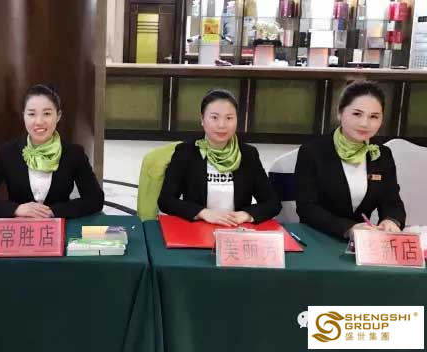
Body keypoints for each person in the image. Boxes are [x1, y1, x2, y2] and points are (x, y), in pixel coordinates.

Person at [0, 84, 104, 218]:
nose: (39, 121)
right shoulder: (7, 153)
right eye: (32, 114)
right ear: (24, 116)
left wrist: (54, 211)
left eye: (47, 113)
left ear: (58, 116)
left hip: (58, 228)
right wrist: (16, 209)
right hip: (19, 229)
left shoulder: (74, 154)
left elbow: (95, 199)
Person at [295, 80, 405, 239]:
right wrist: (348, 228)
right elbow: (307, 208)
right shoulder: (312, 152)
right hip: (320, 238)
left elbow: (392, 202)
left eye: (374, 116)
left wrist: (391, 220)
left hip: (363, 242)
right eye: (357, 114)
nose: (364, 123)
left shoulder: (382, 155)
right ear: (339, 113)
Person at [158, 89, 281, 224]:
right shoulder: (186, 152)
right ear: (202, 119)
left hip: (235, 229)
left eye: (229, 118)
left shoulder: (248, 154)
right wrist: (202, 213)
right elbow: (166, 201)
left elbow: (272, 203)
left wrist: (246, 215)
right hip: (198, 228)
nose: (222, 125)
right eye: (214, 117)